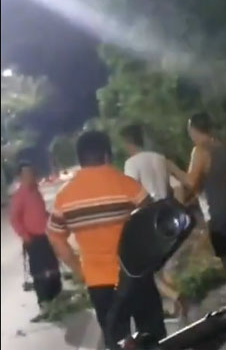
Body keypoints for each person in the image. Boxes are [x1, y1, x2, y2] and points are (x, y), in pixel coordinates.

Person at [47, 131, 166, 349]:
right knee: (152, 337)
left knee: (117, 341)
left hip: (98, 282)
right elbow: (154, 223)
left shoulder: (65, 197)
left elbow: (55, 237)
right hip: (136, 276)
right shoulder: (127, 185)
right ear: (107, 155)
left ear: (80, 159)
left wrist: (78, 269)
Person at [170, 112, 226, 308]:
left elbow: (190, 181)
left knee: (225, 254)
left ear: (193, 129)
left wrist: (171, 167)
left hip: (216, 209)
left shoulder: (200, 151)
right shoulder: (221, 148)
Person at [118, 124, 186, 321]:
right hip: (168, 215)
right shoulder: (159, 158)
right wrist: (180, 210)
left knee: (147, 273)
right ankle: (177, 308)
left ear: (128, 143)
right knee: (167, 264)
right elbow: (178, 185)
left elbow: (131, 193)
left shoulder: (131, 163)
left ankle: (176, 297)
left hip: (148, 221)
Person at [10, 161, 62, 321]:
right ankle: (44, 304)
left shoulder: (36, 192)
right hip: (33, 238)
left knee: (53, 266)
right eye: (26, 174)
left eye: (32, 173)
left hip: (46, 235)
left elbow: (40, 212)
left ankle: (56, 298)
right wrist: (25, 236)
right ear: (20, 177)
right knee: (39, 273)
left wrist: (52, 219)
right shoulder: (20, 196)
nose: (30, 177)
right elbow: (14, 219)